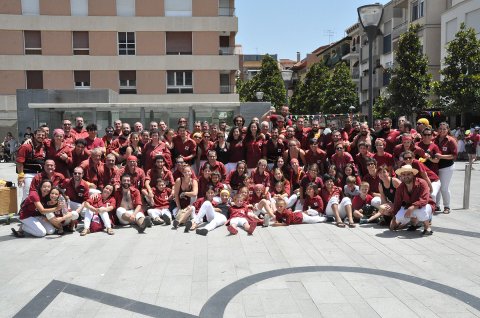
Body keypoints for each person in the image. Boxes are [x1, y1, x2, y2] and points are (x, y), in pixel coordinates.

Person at [390, 165, 434, 236]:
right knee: (399, 216)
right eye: (403, 174)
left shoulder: (422, 182)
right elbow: (397, 203)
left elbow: (424, 199)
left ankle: (427, 227)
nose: (405, 176)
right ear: (401, 176)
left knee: (421, 211)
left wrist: (412, 207)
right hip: (411, 207)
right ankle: (414, 224)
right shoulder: (400, 188)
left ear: (413, 174)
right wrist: (394, 219)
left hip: (426, 205)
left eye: (408, 174)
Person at [16, 128, 47, 201]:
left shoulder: (44, 145)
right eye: (39, 135)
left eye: (43, 135)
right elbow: (20, 162)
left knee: (39, 195)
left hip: (40, 174)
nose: (41, 136)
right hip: (28, 175)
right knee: (27, 195)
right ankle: (23, 211)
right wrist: (21, 176)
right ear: (34, 135)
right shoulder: (26, 146)